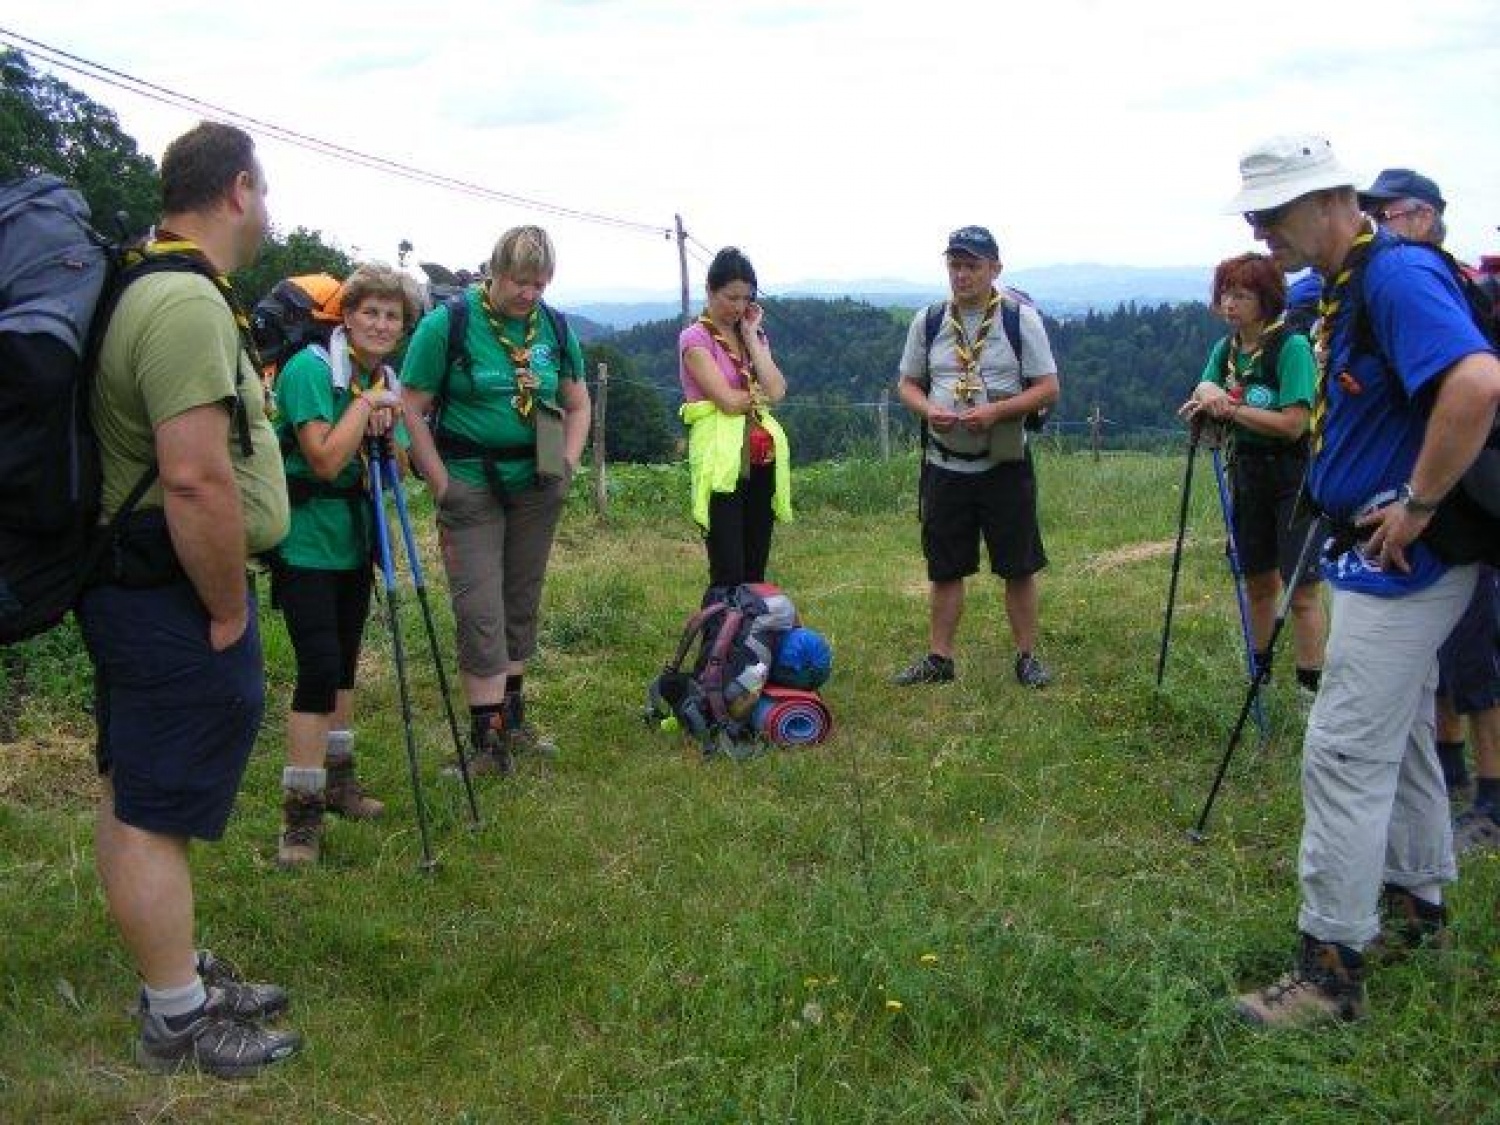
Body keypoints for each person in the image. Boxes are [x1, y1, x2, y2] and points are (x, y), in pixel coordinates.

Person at [1225, 135, 1500, 1029]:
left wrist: (1417, 502)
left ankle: (1329, 970)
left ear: (1327, 201)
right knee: (1406, 736)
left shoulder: (1394, 278)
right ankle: (1418, 906)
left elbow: (1475, 379)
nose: (1263, 231)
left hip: (1405, 560)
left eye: (1271, 214)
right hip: (1380, 555)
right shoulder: (1349, 283)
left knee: (1340, 751)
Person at [78, 121, 300, 1074]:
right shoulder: (182, 305)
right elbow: (196, 481)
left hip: (141, 583)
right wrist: (225, 606)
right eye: (267, 189)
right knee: (151, 806)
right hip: (166, 589)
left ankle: (179, 974)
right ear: (240, 189)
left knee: (140, 787)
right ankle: (178, 1016)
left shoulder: (158, 284)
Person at [400, 226, 590, 776]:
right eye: (519, 281)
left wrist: (568, 466)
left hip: (538, 481)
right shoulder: (448, 325)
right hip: (470, 482)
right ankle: (487, 745)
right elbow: (411, 408)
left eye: (540, 282)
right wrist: (440, 483)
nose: (530, 293)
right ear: (494, 271)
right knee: (479, 608)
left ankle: (513, 718)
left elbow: (575, 404)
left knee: (519, 600)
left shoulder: (553, 327)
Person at [1359, 167, 1500, 851]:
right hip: (1439, 501)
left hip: (1464, 503)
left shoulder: (1444, 289)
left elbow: (1477, 385)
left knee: (1476, 655)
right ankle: (1447, 775)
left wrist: (1424, 496)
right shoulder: (1431, 284)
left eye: (1391, 213)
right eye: (1375, 214)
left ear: (1426, 215)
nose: (1381, 226)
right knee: (1442, 658)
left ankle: (1493, 798)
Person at [272, 263, 420, 866]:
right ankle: (299, 818)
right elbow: (325, 460)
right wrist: (366, 409)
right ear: (347, 315)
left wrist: (391, 421)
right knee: (317, 667)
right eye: (371, 312)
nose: (382, 324)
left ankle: (338, 781)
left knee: (345, 668)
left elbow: (401, 468)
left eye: (393, 316)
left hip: (357, 538)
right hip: (305, 539)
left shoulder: (380, 377)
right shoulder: (310, 370)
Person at [892, 226, 1060, 688]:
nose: (962, 275)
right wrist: (929, 409)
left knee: (1018, 564)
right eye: (955, 265)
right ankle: (939, 659)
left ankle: (1027, 657)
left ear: (995, 269)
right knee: (945, 566)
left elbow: (1048, 388)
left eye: (972, 266)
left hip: (1004, 463)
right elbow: (907, 383)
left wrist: (997, 412)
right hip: (944, 464)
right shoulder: (927, 321)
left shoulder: (1019, 319)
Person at [1179, 253, 1326, 695]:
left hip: (1292, 475)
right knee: (1258, 581)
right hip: (1246, 471)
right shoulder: (1226, 349)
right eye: (1225, 293)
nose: (1230, 303)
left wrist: (1232, 409)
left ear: (1266, 299)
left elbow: (1293, 423)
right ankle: (1258, 676)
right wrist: (1210, 395)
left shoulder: (1292, 347)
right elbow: (1204, 387)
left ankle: (1309, 688)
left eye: (1242, 294)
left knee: (1302, 590)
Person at [677, 247, 791, 590]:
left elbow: (777, 390)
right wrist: (752, 398)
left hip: (759, 456)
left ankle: (749, 640)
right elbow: (727, 401)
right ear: (710, 291)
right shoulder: (695, 338)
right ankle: (718, 640)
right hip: (720, 459)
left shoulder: (751, 335)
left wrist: (753, 337)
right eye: (730, 298)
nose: (739, 307)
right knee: (727, 569)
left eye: (746, 299)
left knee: (755, 567)